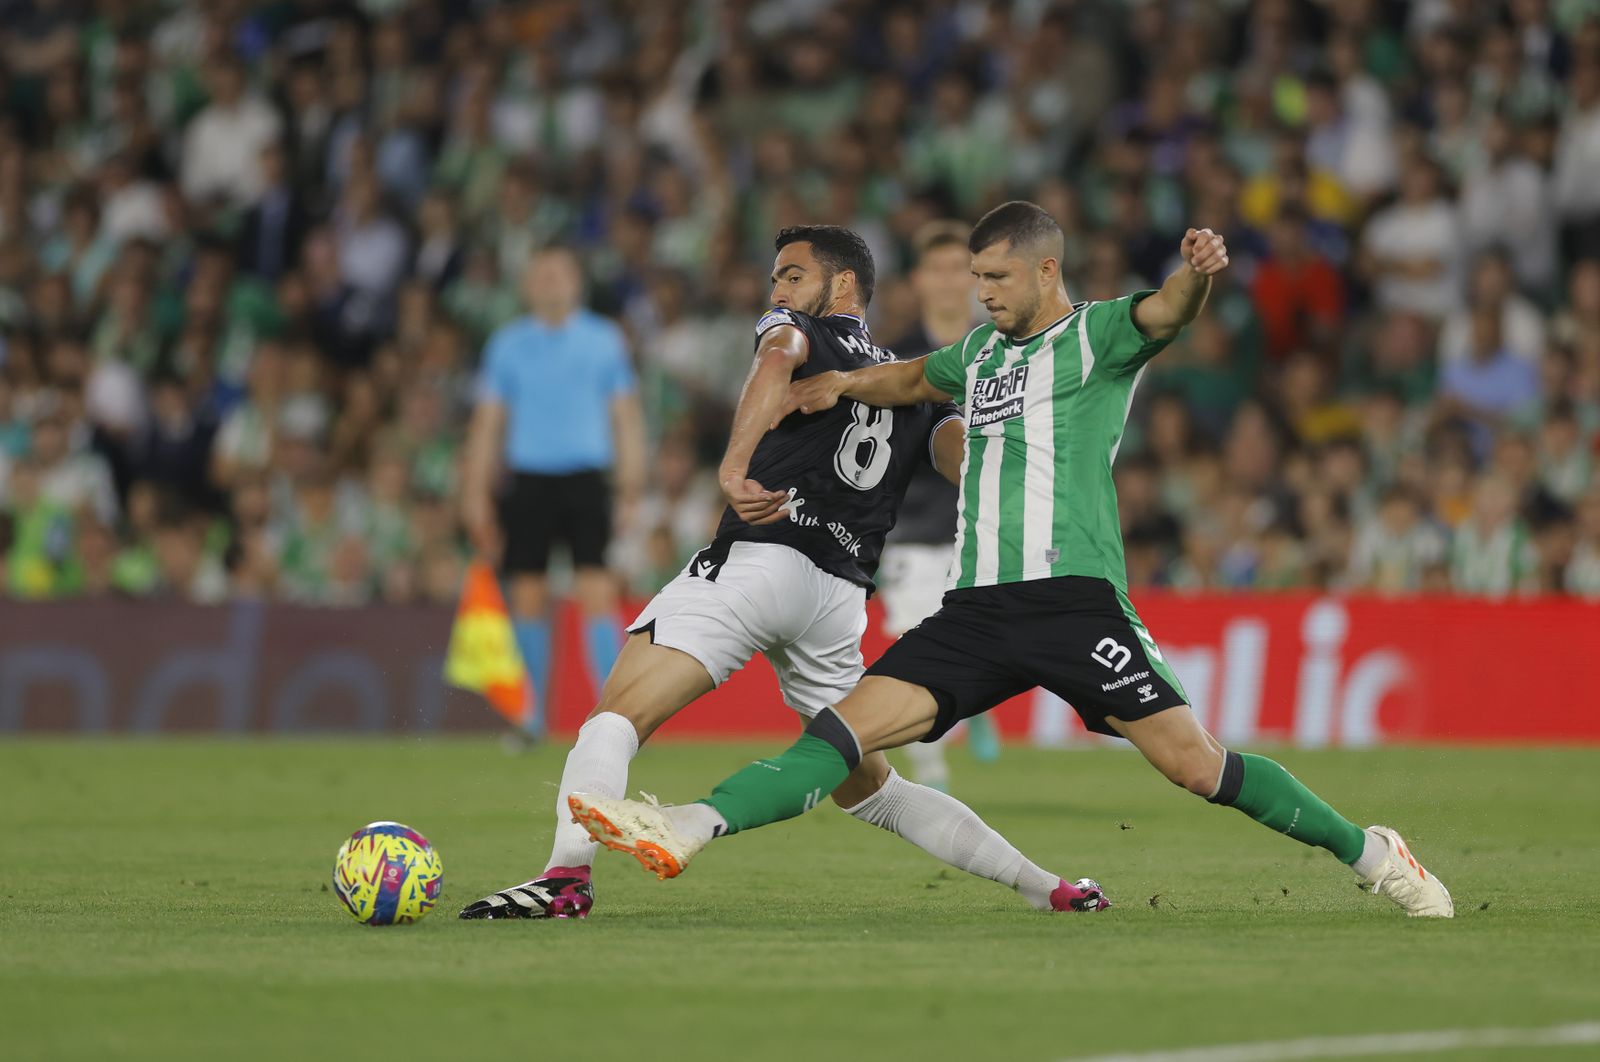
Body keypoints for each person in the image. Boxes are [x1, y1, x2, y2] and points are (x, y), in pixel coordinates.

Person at [569, 201, 1454, 919]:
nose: (981, 293)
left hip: (1078, 605)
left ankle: (1373, 853)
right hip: (978, 611)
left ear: (1044, 271)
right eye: (974, 277)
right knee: (841, 736)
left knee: (1198, 767)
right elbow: (915, 379)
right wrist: (842, 383)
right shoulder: (980, 355)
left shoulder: (1101, 337)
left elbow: (1170, 311)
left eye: (994, 278)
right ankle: (690, 823)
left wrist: (1197, 272)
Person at [460, 225, 1108, 919]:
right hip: (836, 601)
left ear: (844, 286)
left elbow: (776, 358)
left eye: (792, 275)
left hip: (761, 561)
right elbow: (969, 465)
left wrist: (733, 465)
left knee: (614, 718)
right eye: (777, 279)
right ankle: (1051, 888)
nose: (778, 291)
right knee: (873, 790)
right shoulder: (911, 385)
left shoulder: (802, 331)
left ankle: (564, 879)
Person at [461, 246, 645, 738]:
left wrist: (630, 486)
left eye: (559, 274)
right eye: (541, 275)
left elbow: (625, 416)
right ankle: (529, 718)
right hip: (529, 480)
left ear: (576, 282)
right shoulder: (507, 345)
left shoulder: (605, 340)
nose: (550, 283)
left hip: (587, 478)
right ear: (527, 285)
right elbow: (487, 423)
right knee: (526, 595)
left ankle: (616, 718)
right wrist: (475, 493)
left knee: (597, 594)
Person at [880, 219, 999, 791]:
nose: (951, 282)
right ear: (919, 280)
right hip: (915, 525)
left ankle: (974, 710)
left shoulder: (1006, 346)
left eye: (962, 270)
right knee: (917, 640)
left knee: (990, 631)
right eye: (940, 269)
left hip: (993, 518)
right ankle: (932, 771)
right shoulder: (894, 357)